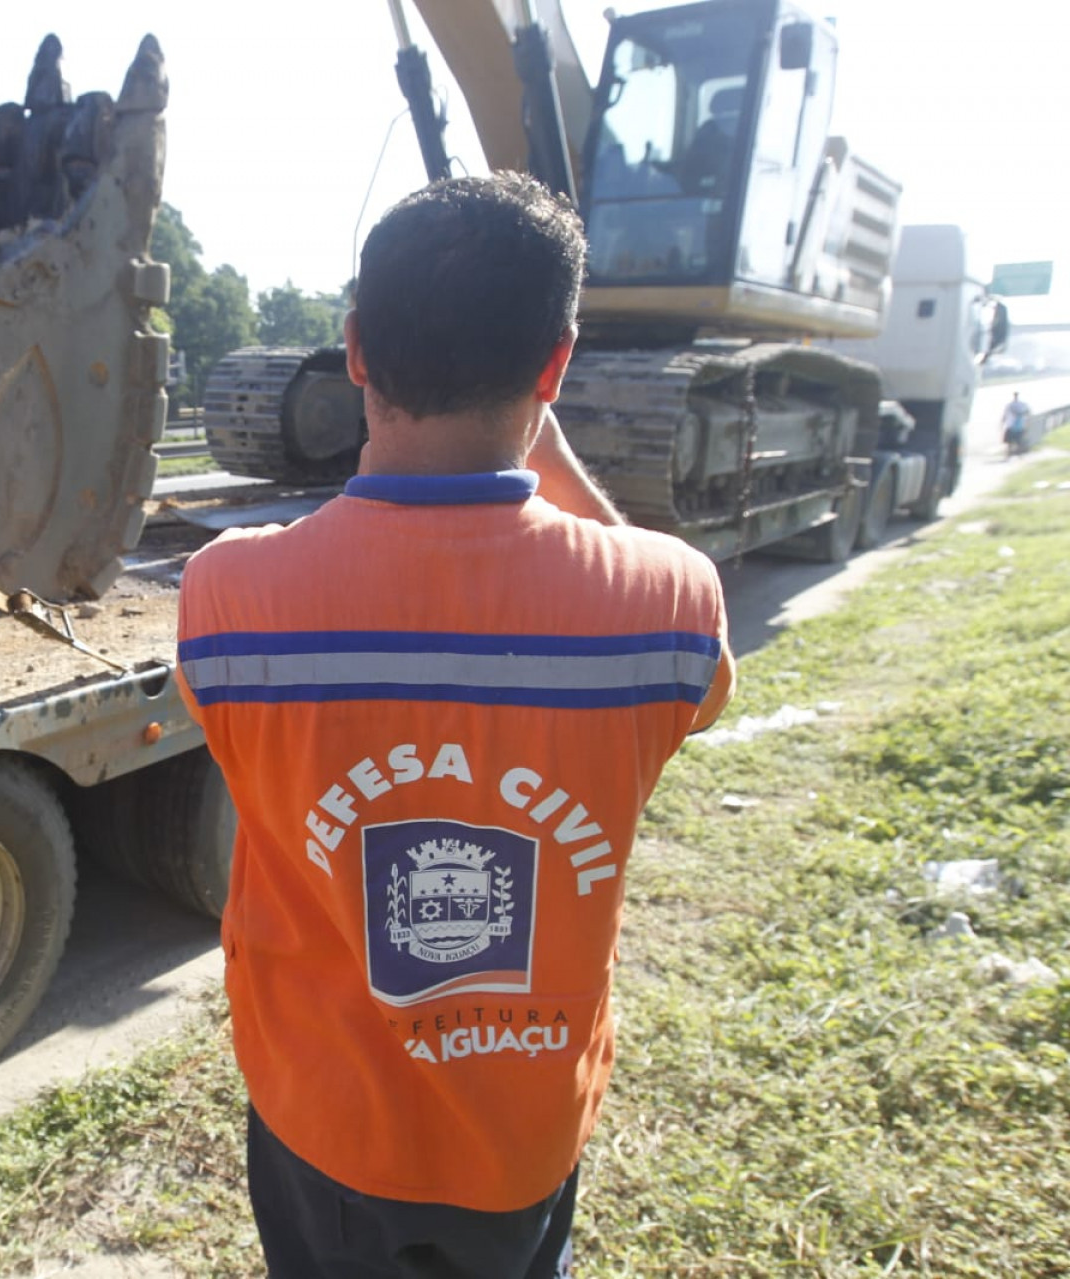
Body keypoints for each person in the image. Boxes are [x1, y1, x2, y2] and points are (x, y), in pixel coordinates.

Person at [176, 174, 735, 1278]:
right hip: (523, 1133)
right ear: (556, 364)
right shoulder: (669, 604)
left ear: (355, 351)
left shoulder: (227, 600)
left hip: (321, 1118)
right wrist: (555, 462)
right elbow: (699, 686)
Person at [1002, 391, 1031, 456]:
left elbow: (1004, 415)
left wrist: (1002, 423)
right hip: (1019, 427)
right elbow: (1028, 414)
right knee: (1018, 442)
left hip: (1011, 426)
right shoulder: (1023, 405)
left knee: (1010, 443)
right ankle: (1016, 454)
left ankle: (1009, 454)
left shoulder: (1010, 405)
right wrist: (1027, 425)